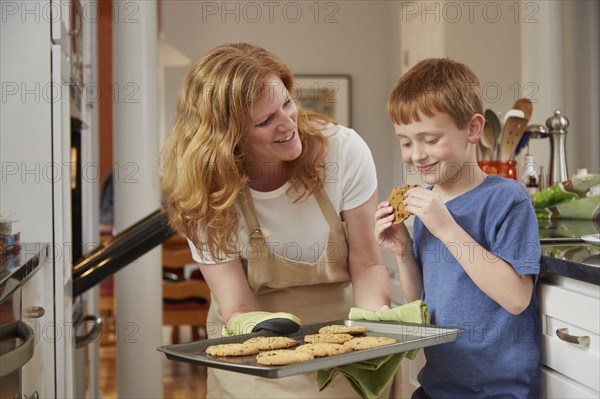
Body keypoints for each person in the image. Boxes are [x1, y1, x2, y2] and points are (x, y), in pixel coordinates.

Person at [159, 43, 392, 398]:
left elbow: (367, 261)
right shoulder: (204, 191)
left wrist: (375, 328)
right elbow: (237, 306)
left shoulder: (343, 152)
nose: (287, 124)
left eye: (286, 103)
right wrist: (276, 345)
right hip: (252, 341)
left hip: (343, 329)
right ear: (228, 137)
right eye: (266, 121)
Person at [375, 58, 541, 398]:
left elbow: (516, 298)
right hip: (438, 385)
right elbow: (419, 300)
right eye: (406, 142)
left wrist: (447, 228)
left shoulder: (507, 199)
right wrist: (403, 250)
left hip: (498, 390)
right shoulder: (426, 206)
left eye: (430, 139)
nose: (416, 155)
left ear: (473, 129)